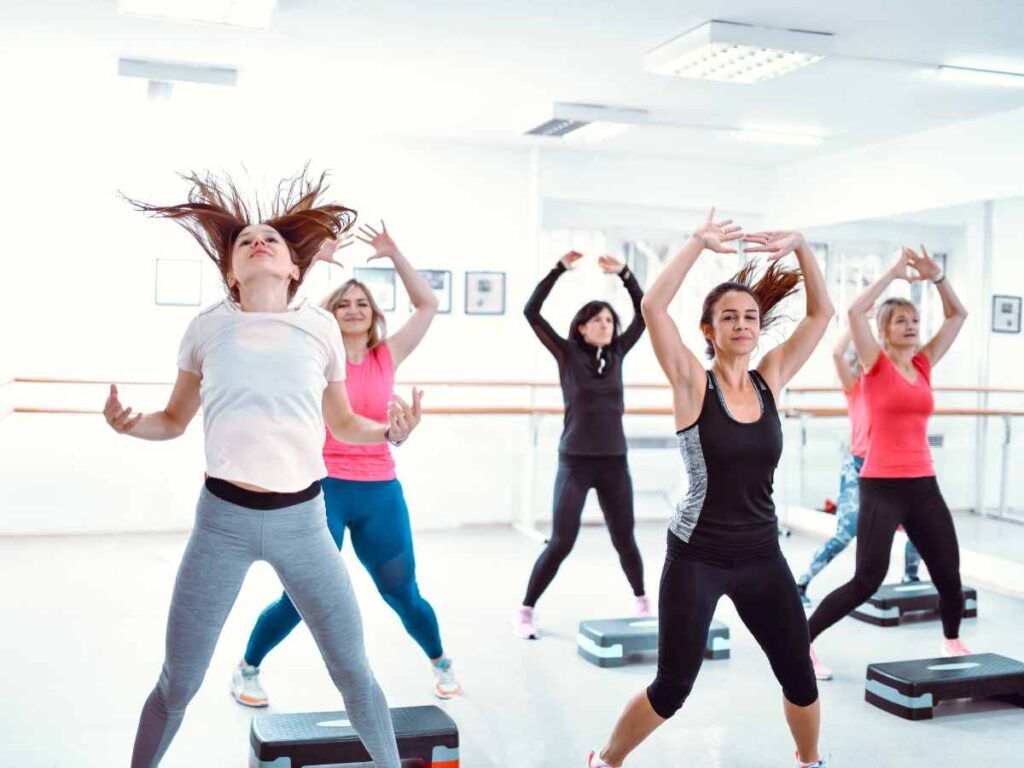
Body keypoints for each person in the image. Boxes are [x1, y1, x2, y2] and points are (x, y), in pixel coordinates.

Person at [109, 170, 418, 767]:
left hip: (303, 522)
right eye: (245, 239)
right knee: (180, 681)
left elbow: (345, 422)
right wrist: (132, 422)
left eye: (271, 240)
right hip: (220, 523)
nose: (259, 241)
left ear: (294, 269)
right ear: (230, 271)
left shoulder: (320, 327)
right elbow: (172, 419)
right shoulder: (206, 328)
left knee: (353, 671)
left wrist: (390, 432)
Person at [589, 210, 834, 768]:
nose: (742, 325)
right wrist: (698, 244)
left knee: (799, 674)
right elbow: (653, 307)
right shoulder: (690, 382)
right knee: (672, 687)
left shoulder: (771, 377)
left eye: (750, 316)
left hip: (761, 555)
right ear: (710, 329)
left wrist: (801, 247)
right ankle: (605, 761)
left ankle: (810, 761)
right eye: (729, 317)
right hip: (697, 555)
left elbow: (822, 312)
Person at [234, 220, 460, 705]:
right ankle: (248, 668)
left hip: (380, 491)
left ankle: (441, 662)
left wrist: (396, 253)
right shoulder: (314, 351)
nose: (353, 310)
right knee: (300, 599)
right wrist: (318, 260)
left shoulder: (387, 355)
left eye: (362, 303)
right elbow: (290, 304)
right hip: (323, 491)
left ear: (372, 314)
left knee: (403, 593)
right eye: (343, 303)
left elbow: (428, 305)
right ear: (330, 313)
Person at [808, 246, 971, 680]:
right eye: (902, 320)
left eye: (915, 321)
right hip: (880, 485)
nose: (913, 327)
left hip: (924, 485)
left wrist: (938, 278)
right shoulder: (874, 364)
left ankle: (952, 640)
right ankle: (802, 641)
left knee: (948, 572)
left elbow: (958, 316)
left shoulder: (923, 363)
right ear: (884, 328)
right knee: (867, 580)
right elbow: (854, 311)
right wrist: (893, 274)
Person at [515, 251, 649, 639]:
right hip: (575, 462)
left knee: (625, 537)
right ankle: (526, 611)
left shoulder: (619, 352)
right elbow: (531, 311)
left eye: (609, 320)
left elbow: (645, 313)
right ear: (583, 327)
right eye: (598, 320)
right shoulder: (567, 354)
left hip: (614, 463)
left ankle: (643, 602)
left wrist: (625, 274)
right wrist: (558, 269)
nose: (605, 326)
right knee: (561, 541)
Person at [794, 328, 921, 608]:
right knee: (846, 531)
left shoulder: (900, 384)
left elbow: (917, 357)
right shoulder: (855, 386)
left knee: (919, 526)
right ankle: (801, 582)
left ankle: (911, 580)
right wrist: (857, 322)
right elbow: (837, 353)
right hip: (859, 469)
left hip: (894, 471)